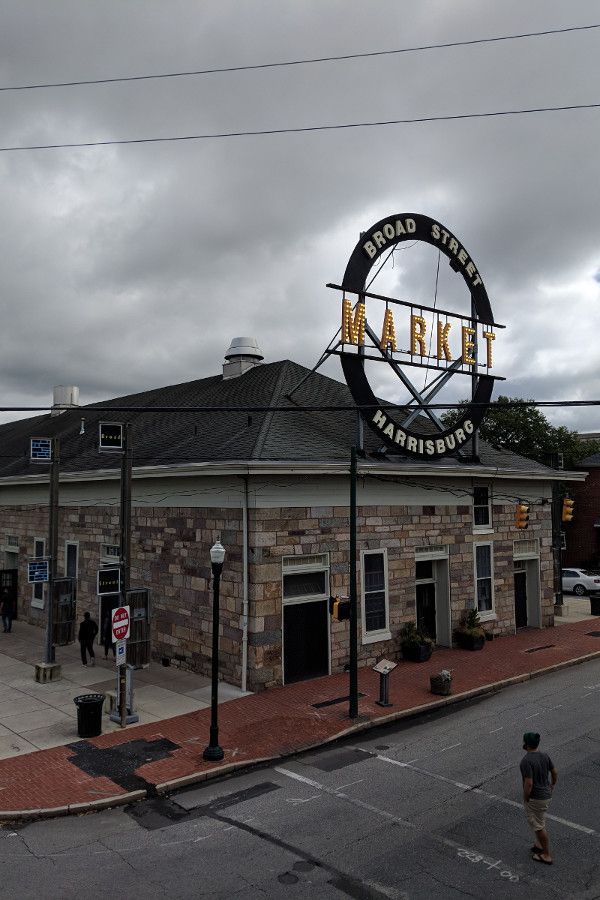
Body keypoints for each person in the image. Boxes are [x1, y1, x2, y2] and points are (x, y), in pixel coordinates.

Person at [520, 731, 558, 865]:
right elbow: (554, 772)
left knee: (538, 826)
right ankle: (539, 845)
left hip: (536, 798)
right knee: (539, 819)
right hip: (546, 795)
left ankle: (546, 854)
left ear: (526, 745)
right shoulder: (544, 755)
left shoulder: (526, 761)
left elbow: (529, 783)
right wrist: (552, 784)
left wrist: (526, 797)